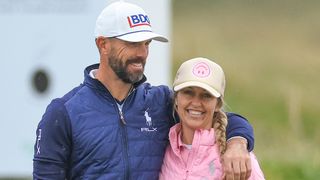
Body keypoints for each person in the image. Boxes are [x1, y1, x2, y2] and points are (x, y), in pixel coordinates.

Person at [33, 1, 254, 180]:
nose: (142, 53)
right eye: (132, 43)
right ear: (103, 44)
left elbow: (218, 116)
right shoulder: (64, 112)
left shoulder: (159, 102)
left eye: (146, 44)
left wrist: (237, 143)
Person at [159, 57, 265, 180]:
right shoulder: (164, 148)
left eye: (206, 95)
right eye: (188, 92)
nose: (196, 102)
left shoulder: (237, 159)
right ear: (176, 98)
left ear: (218, 105)